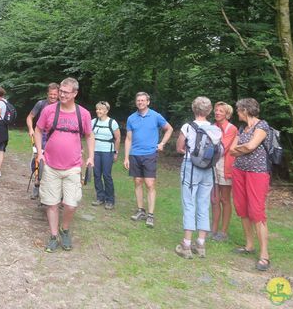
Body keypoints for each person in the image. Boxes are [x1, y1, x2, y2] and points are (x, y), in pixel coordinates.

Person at [34, 77, 94, 252]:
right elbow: (38, 130)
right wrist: (40, 152)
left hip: (73, 166)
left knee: (71, 204)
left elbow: (89, 135)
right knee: (51, 203)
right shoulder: (49, 111)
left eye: (66, 92)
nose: (62, 95)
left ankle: (64, 229)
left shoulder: (83, 114)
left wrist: (91, 157)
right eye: (61, 91)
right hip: (51, 165)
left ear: (75, 93)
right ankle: (53, 235)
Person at [174, 97, 222, 259]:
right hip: (208, 169)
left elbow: (179, 147)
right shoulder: (215, 129)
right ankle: (201, 243)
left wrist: (190, 153)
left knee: (189, 202)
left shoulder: (188, 127)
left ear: (194, 109)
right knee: (203, 203)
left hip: (190, 167)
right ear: (209, 111)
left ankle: (186, 244)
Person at [230, 98, 272, 271]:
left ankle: (264, 255)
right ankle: (249, 245)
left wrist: (244, 147)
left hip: (257, 173)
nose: (237, 113)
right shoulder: (242, 128)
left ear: (245, 110)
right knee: (242, 208)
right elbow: (232, 150)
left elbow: (252, 146)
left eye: (239, 110)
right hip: (239, 171)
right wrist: (244, 147)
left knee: (257, 211)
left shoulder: (262, 126)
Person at [124, 92, 173, 228]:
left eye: (143, 100)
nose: (140, 102)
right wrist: (126, 157)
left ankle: (150, 215)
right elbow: (128, 139)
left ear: (148, 102)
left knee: (150, 184)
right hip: (135, 154)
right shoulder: (131, 118)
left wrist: (162, 143)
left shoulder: (156, 116)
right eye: (138, 100)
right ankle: (141, 210)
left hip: (150, 154)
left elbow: (169, 129)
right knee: (138, 181)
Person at [25, 83, 59, 197]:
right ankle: (37, 184)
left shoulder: (61, 106)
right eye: (51, 94)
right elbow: (30, 117)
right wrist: (31, 129)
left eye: (55, 94)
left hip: (56, 137)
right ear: (47, 94)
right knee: (37, 159)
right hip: (41, 135)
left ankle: (53, 188)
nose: (53, 96)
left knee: (54, 161)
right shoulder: (41, 104)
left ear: (58, 94)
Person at [211, 101, 237, 241]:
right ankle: (213, 229)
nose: (217, 112)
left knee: (224, 199)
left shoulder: (231, 129)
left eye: (221, 111)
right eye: (216, 110)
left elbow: (223, 148)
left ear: (227, 114)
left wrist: (207, 151)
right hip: (212, 165)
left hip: (225, 166)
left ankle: (223, 231)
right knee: (214, 199)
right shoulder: (212, 127)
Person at [91, 101, 121, 210]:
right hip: (95, 152)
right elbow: (89, 137)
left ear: (106, 111)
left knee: (107, 175)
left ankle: (110, 200)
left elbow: (118, 138)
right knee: (97, 174)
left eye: (101, 109)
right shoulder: (93, 122)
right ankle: (100, 197)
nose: (98, 111)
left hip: (108, 152)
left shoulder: (112, 123)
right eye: (97, 109)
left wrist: (116, 152)